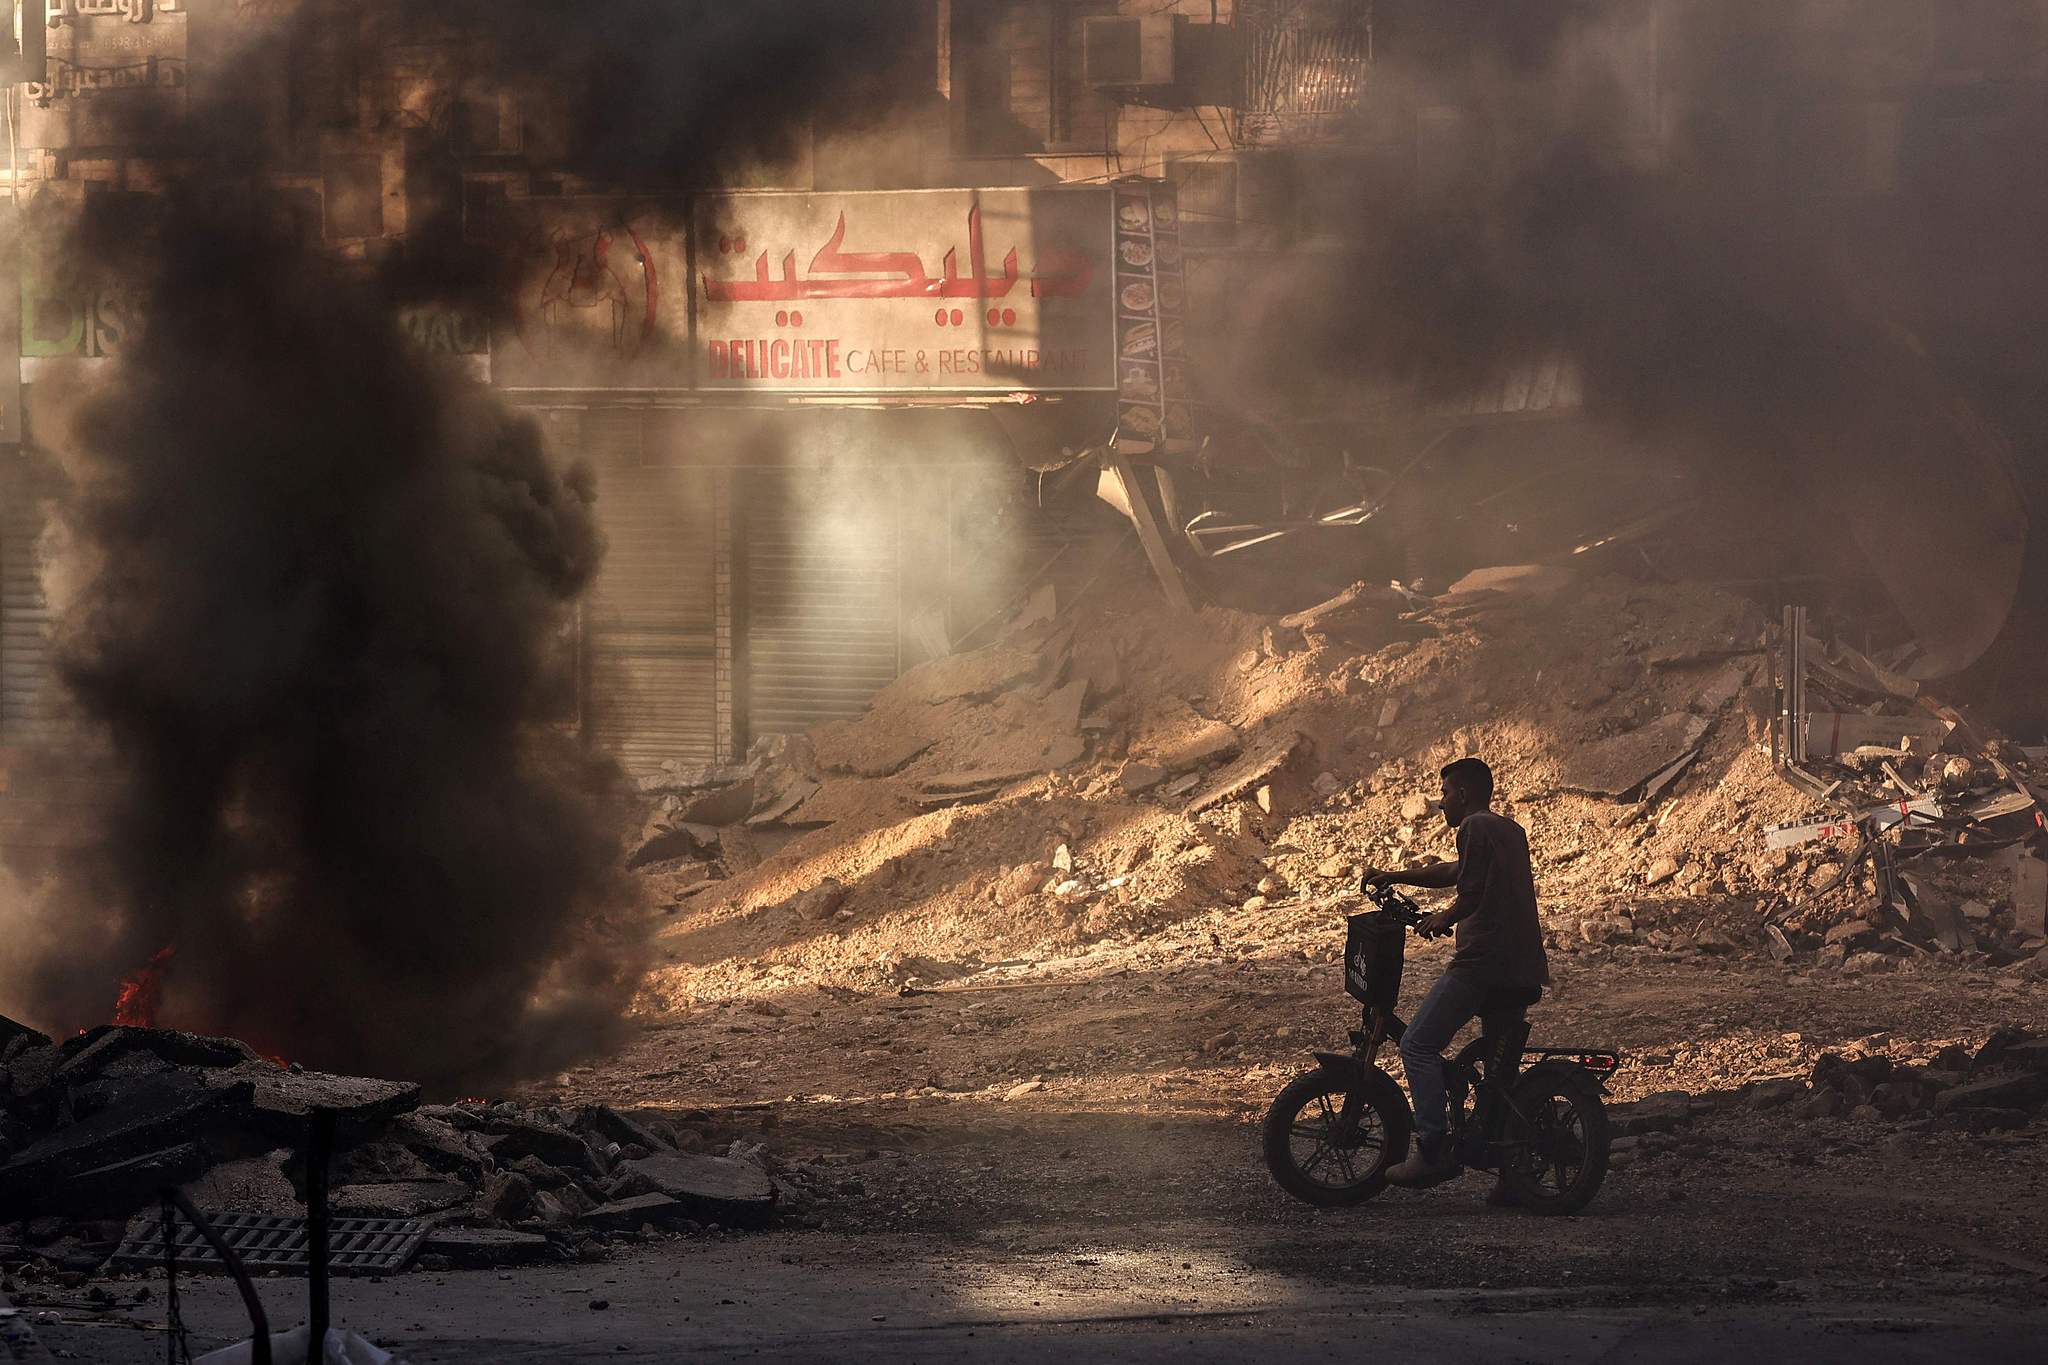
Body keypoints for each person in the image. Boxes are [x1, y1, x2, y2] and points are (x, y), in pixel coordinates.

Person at [1361, 756, 1549, 1191]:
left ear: (1462, 794)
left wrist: (1442, 918)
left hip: (1482, 964)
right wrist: (1396, 874)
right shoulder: (1508, 829)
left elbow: (1470, 891)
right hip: (1522, 967)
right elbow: (1454, 871)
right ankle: (1515, 1179)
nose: (1441, 803)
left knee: (1417, 1044)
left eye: (1444, 794)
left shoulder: (1472, 827)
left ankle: (1431, 1150)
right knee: (1501, 1074)